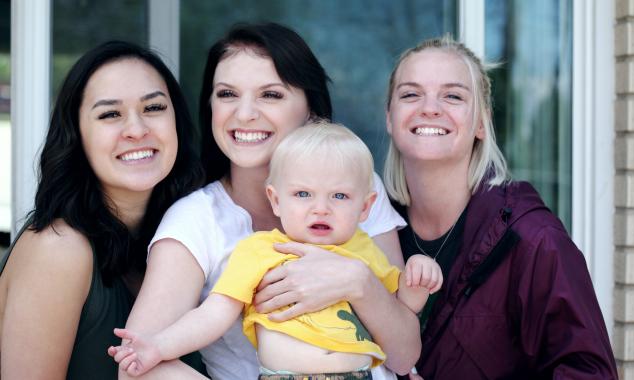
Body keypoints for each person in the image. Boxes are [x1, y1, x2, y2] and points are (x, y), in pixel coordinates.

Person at [116, 23, 421, 380]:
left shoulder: (354, 188)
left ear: (311, 110)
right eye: (227, 94)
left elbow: (403, 358)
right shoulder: (195, 221)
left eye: (270, 95)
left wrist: (358, 281)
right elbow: (136, 370)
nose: (244, 113)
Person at [110, 122, 442, 379]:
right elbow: (214, 314)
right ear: (276, 200)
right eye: (303, 194)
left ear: (366, 206)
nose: (320, 209)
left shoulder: (364, 250)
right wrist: (158, 346)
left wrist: (418, 277)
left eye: (339, 196)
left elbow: (402, 314)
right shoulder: (260, 251)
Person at [383, 35, 618, 379]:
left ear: (481, 123)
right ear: (390, 118)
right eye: (410, 94)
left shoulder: (534, 239)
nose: (429, 107)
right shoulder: (367, 231)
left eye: (452, 95)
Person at [0, 41, 204, 379]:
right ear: (77, 136)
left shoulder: (184, 236)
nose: (137, 130)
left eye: (153, 108)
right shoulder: (59, 248)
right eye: (110, 114)